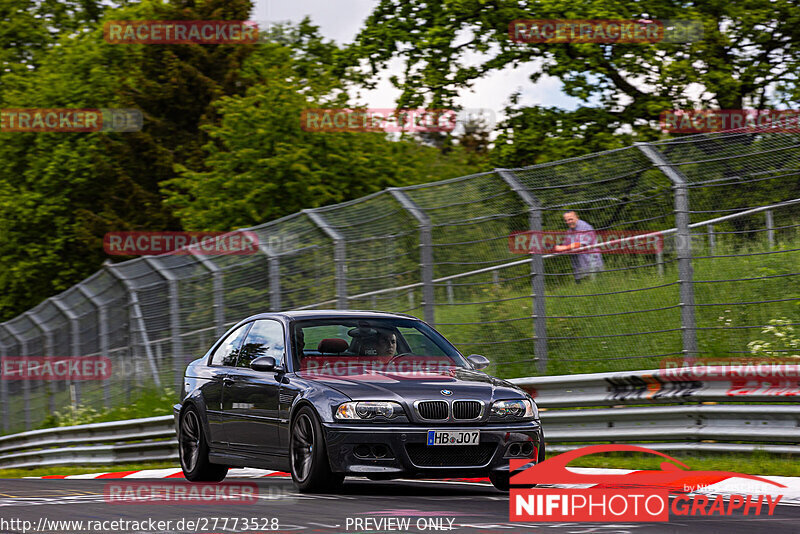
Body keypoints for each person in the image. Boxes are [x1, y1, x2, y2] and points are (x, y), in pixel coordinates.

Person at [553, 210, 604, 282]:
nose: (568, 222)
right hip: (579, 268)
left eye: (570, 219)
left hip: (591, 263)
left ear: (577, 217)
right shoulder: (569, 231)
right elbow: (565, 245)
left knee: (594, 286)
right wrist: (553, 247)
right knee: (582, 288)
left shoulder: (584, 227)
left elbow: (580, 244)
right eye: (566, 220)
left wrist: (563, 248)